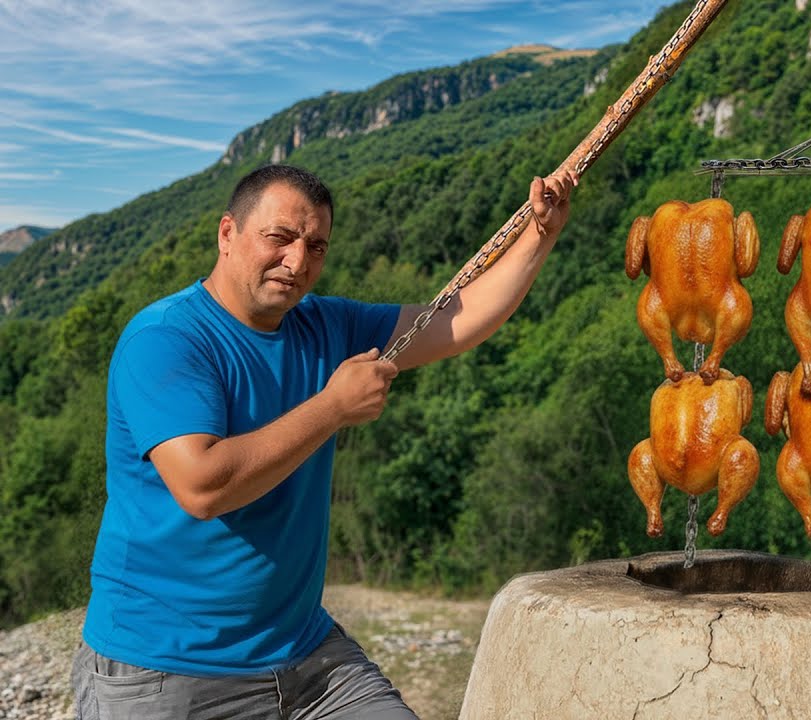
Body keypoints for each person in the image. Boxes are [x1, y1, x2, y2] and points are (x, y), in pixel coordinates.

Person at [70, 163, 577, 719]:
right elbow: (203, 487)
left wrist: (540, 234)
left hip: (306, 658)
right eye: (280, 238)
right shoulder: (167, 339)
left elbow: (458, 319)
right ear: (227, 234)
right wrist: (333, 407)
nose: (297, 261)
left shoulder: (326, 326)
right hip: (162, 672)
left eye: (316, 246)